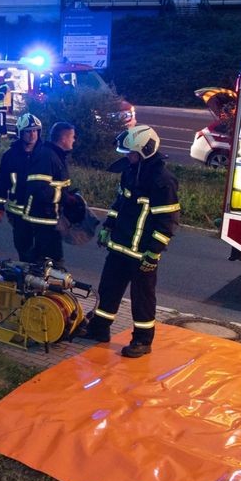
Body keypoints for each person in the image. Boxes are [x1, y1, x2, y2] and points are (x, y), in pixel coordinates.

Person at [78, 125, 179, 357]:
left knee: (142, 298)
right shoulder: (130, 171)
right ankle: (99, 329)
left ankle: (143, 341)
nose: (128, 157)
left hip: (142, 254)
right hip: (118, 246)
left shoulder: (163, 181)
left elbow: (168, 221)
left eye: (131, 153)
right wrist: (108, 227)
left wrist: (154, 252)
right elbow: (119, 204)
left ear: (145, 150)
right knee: (108, 290)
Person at [19, 121, 76, 266]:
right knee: (51, 262)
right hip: (41, 219)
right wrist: (65, 198)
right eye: (72, 137)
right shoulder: (47, 156)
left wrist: (69, 196)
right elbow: (40, 189)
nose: (74, 140)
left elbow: (55, 185)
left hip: (50, 218)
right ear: (63, 139)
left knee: (44, 262)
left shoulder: (56, 156)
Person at [0, 113, 42, 262]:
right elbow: (2, 181)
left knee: (40, 253)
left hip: (40, 212)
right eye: (28, 131)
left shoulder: (45, 154)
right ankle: (26, 281)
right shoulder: (10, 155)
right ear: (20, 133)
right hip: (18, 213)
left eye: (35, 130)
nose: (32, 134)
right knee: (24, 250)